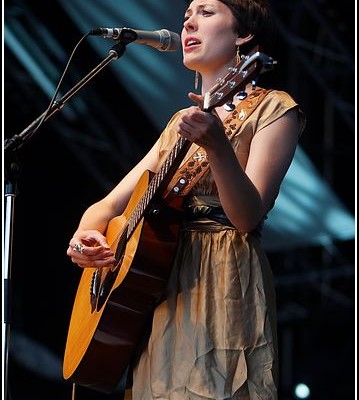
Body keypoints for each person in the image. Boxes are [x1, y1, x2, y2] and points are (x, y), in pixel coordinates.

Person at [67, 0, 305, 398]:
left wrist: (217, 147)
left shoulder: (274, 108)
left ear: (244, 35)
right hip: (158, 288)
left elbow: (247, 216)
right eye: (186, 16)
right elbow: (106, 207)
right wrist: (84, 237)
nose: (188, 22)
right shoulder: (177, 126)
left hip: (220, 275)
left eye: (207, 12)